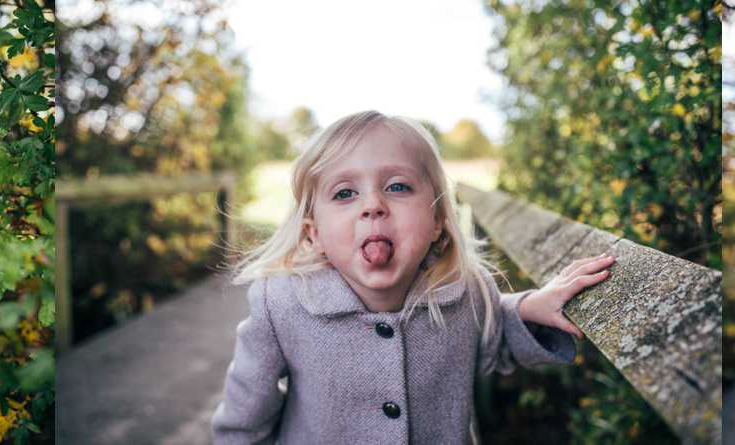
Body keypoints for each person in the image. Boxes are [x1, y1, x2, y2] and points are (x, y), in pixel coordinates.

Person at [211, 110, 616, 443]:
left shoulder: (465, 295)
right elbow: (242, 424)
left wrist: (528, 308)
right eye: (345, 193)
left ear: (438, 219)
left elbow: (492, 339)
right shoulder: (281, 304)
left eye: (398, 186)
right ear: (313, 233)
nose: (373, 204)